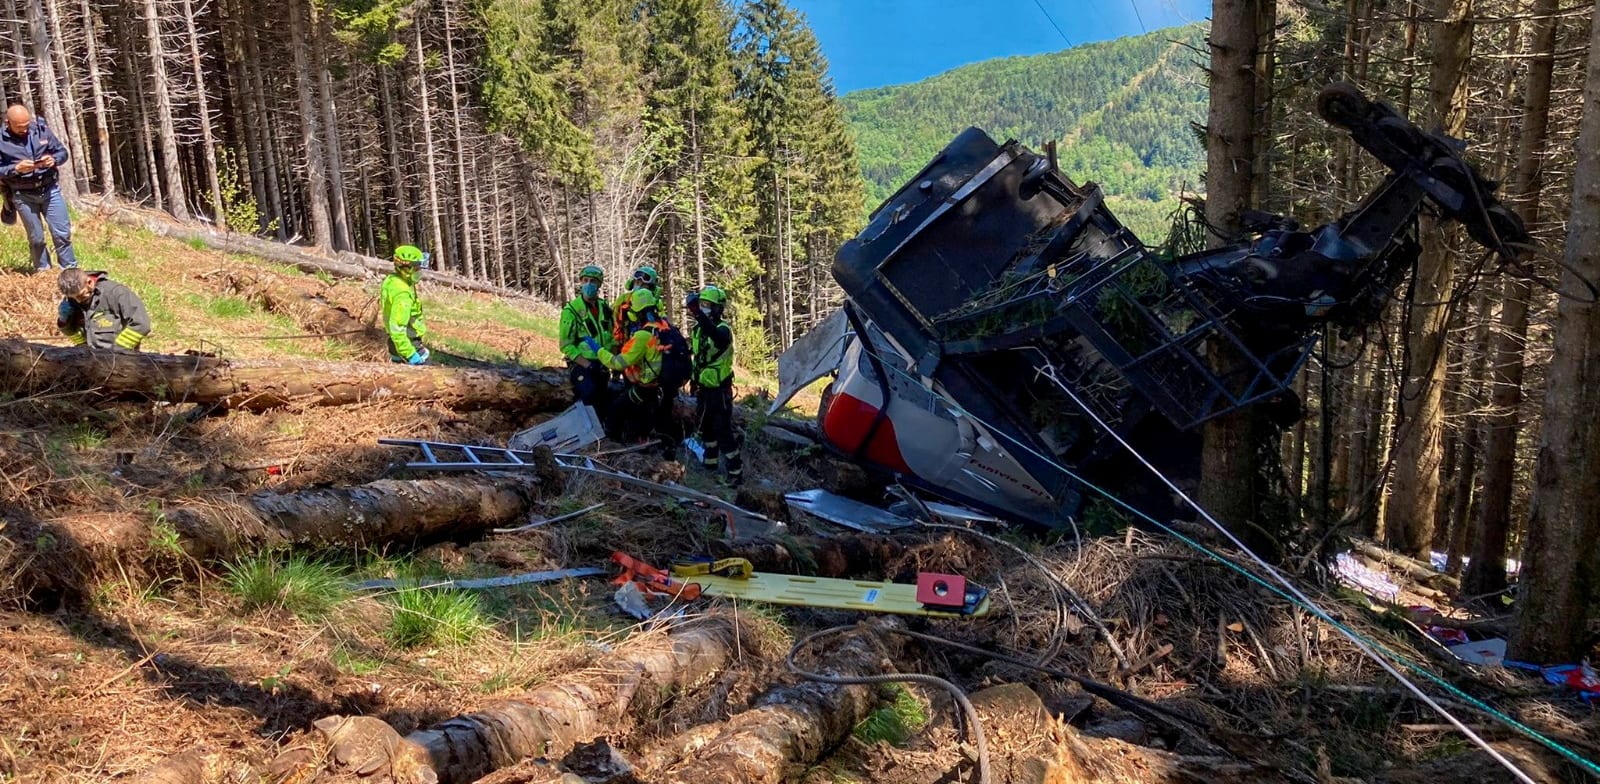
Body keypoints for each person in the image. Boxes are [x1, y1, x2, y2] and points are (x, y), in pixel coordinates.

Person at [587, 287, 682, 456]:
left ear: (635, 313)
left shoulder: (643, 336)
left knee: (617, 410)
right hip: (664, 387)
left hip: (647, 388)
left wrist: (598, 350)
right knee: (649, 419)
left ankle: (612, 447)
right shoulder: (667, 328)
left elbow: (617, 363)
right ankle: (653, 444)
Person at [0, 105, 76, 271]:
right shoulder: (1, 141)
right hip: (23, 194)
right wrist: (16, 169)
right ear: (8, 123)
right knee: (36, 239)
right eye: (20, 127)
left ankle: (70, 271)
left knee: (62, 234)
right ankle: (43, 272)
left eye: (27, 125)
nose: (25, 130)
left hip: (50, 189)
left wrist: (54, 159)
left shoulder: (42, 130)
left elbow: (62, 152)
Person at [687, 285, 742, 485]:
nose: (704, 308)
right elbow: (698, 358)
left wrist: (698, 314)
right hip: (704, 387)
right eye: (701, 304)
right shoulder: (697, 330)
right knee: (706, 428)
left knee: (722, 430)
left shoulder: (722, 329)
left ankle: (735, 472)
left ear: (718, 308)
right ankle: (710, 463)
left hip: (720, 391)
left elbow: (718, 340)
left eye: (708, 305)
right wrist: (693, 380)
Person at [559, 264, 615, 413]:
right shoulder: (571, 310)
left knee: (603, 401)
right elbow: (565, 345)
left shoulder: (605, 309)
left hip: (603, 364)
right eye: (585, 280)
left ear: (599, 284)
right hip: (581, 364)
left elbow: (611, 336)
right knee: (588, 395)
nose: (589, 284)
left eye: (593, 281)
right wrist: (587, 364)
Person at [56, 268, 151, 350]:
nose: (78, 301)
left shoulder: (116, 293)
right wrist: (65, 322)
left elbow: (141, 324)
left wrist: (117, 351)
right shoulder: (71, 300)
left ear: (89, 282)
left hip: (120, 359)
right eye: (73, 298)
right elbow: (76, 334)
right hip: (90, 359)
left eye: (81, 296)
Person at [382, 245, 430, 364]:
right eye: (417, 267)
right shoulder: (402, 294)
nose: (420, 271)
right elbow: (397, 327)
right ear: (407, 269)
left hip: (395, 343)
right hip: (408, 343)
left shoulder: (393, 280)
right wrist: (410, 354)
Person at [610, 264, 659, 347]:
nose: (639, 286)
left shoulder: (655, 302)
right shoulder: (623, 299)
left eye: (643, 285)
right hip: (626, 343)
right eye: (637, 282)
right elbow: (614, 322)